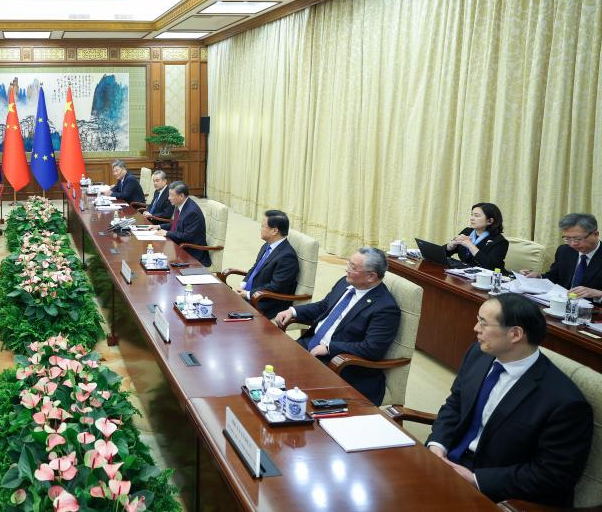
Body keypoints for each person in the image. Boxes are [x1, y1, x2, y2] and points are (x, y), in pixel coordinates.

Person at [426, 293, 592, 505]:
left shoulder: (565, 402)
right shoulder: (479, 354)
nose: (475, 329)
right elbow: (456, 404)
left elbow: (553, 475)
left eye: (483, 323)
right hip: (448, 462)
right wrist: (437, 445)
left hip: (498, 491)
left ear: (515, 334)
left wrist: (475, 479)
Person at [274, 247, 400, 405]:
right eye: (348, 263)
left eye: (353, 267)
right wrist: (293, 311)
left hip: (340, 364)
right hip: (310, 346)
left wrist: (329, 347)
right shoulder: (345, 283)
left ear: (371, 276)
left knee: (291, 394)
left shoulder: (385, 308)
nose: (346, 269)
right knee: (271, 364)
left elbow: (372, 348)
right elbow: (323, 306)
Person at [523, 213, 601, 300]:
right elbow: (554, 277)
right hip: (561, 303)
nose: (573, 244)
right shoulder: (564, 251)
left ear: (595, 234)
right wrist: (539, 276)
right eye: (567, 239)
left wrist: (598, 293)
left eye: (578, 239)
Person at [237, 210, 299, 319]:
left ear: (274, 231)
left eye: (263, 226)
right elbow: (255, 268)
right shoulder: (268, 245)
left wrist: (247, 294)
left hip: (265, 303)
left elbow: (275, 287)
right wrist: (243, 285)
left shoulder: (287, 257)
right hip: (251, 294)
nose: (260, 229)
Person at [154, 181, 210, 267]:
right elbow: (175, 225)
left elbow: (188, 236)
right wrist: (158, 226)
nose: (169, 198)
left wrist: (167, 233)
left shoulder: (192, 212)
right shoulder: (180, 205)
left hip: (192, 252)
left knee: (161, 264)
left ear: (181, 196)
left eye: (172, 195)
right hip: (180, 246)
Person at [442, 202, 509, 271]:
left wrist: (470, 245)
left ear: (490, 221)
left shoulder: (499, 241)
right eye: (472, 215)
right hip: (466, 275)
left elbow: (491, 267)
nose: (471, 218)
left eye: (476, 216)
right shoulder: (467, 231)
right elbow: (441, 255)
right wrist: (450, 246)